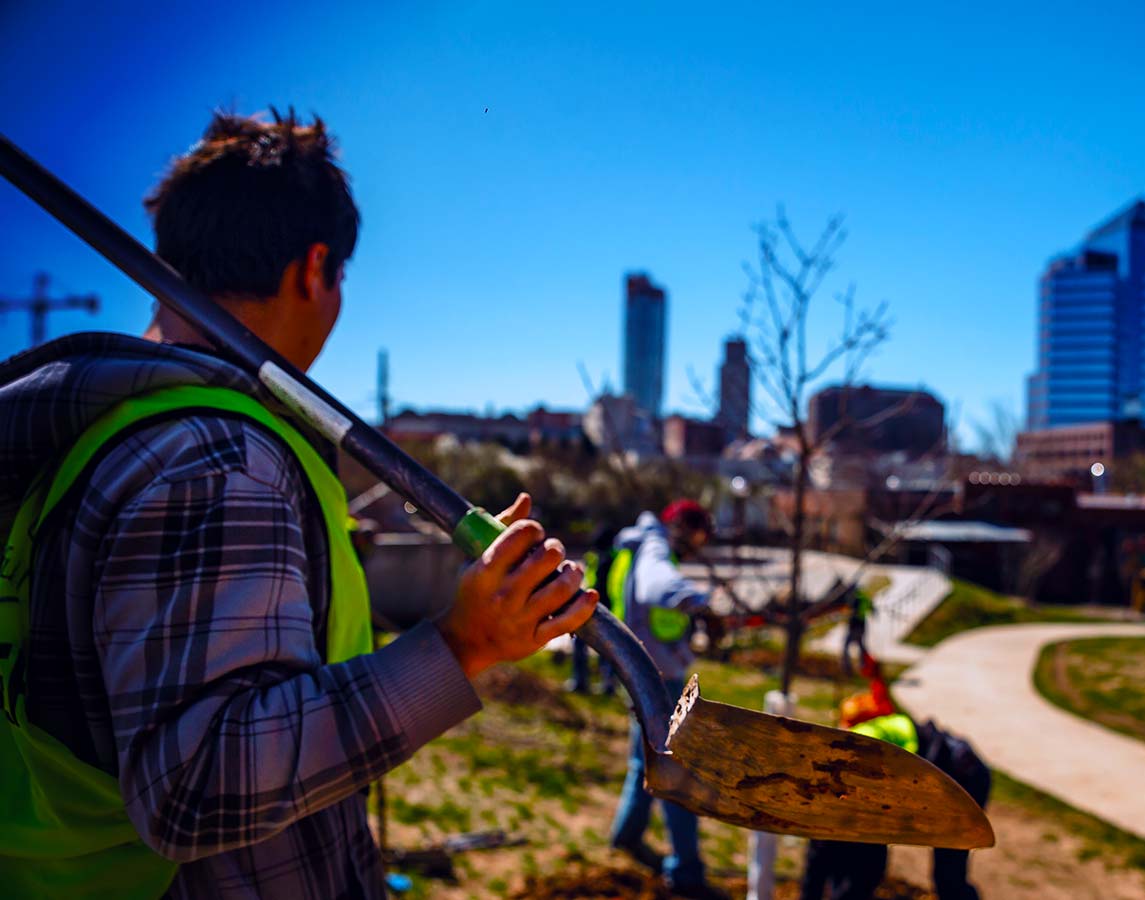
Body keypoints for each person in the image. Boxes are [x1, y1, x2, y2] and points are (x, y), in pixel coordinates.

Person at [0, 110, 599, 899]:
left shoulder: (109, 431)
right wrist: (462, 646)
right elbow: (196, 788)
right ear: (316, 266)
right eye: (341, 278)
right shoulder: (219, 460)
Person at [607, 500, 726, 899]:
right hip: (658, 676)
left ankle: (625, 835)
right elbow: (656, 585)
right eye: (699, 536)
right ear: (684, 527)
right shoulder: (655, 546)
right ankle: (687, 871)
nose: (698, 546)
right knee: (675, 771)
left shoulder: (638, 544)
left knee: (644, 760)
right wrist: (703, 605)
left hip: (641, 668)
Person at [800, 662, 991, 900]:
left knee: (948, 873)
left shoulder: (864, 742)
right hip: (953, 767)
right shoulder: (871, 732)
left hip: (963, 775)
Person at [570, 524, 621, 695]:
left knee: (606, 649)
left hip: (604, 608)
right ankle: (582, 681)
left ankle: (607, 684)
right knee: (584, 645)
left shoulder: (612, 559)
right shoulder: (595, 557)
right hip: (589, 605)